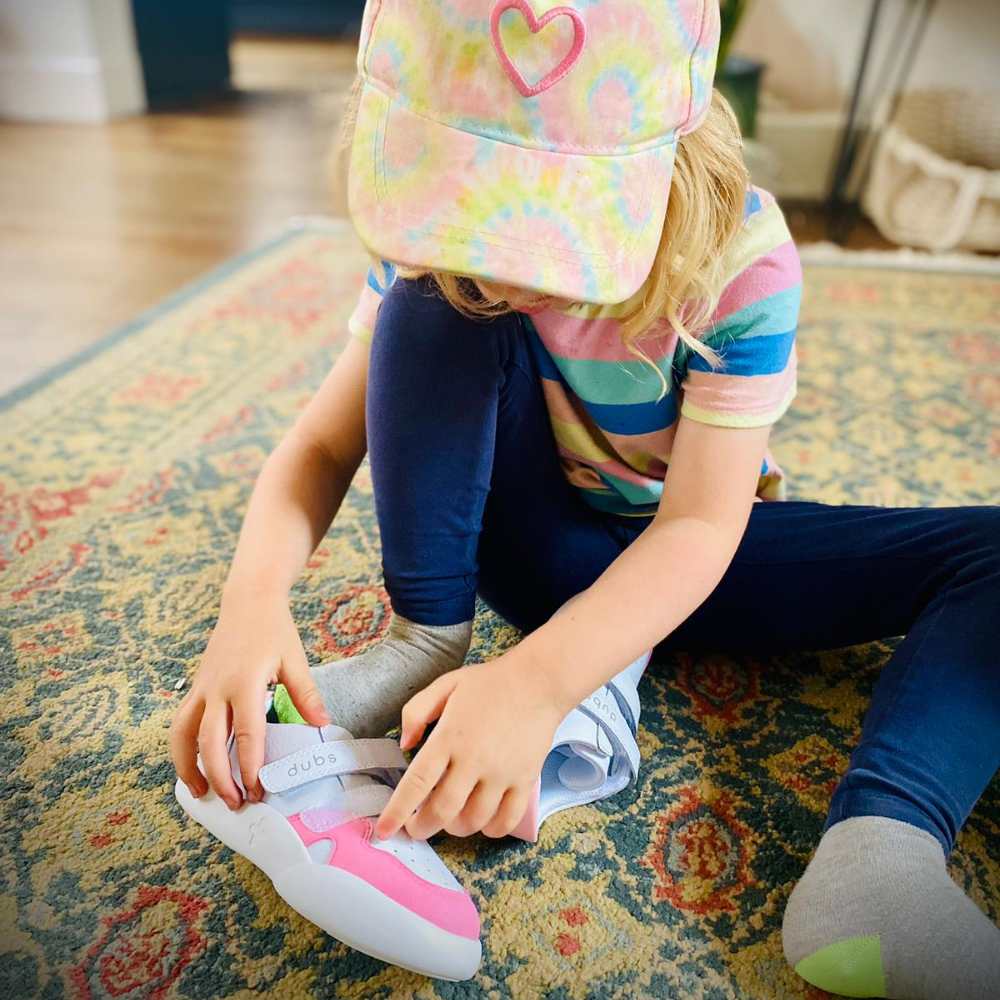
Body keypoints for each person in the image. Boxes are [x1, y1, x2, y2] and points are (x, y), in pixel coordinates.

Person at [171, 1, 1000, 995]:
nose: (492, 265)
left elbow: (699, 524)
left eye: (530, 225)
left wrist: (539, 682)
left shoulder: (742, 263)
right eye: (467, 215)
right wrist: (250, 601)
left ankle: (883, 852)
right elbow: (318, 444)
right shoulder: (436, 237)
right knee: (427, 308)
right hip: (534, 544)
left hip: (684, 557)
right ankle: (420, 646)